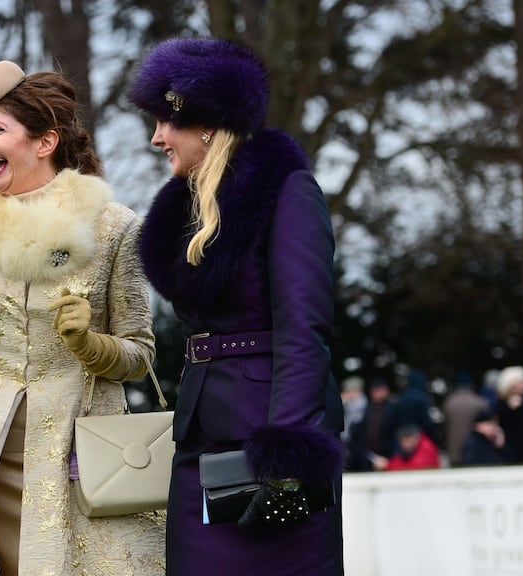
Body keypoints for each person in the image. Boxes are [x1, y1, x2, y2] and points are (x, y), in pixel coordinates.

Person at [0, 60, 165, 575]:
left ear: (45, 141)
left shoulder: (115, 227)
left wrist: (90, 343)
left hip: (77, 459)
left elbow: (140, 354)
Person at [131, 38, 344, 575]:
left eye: (165, 122)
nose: (157, 138)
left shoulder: (289, 192)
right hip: (200, 444)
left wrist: (288, 461)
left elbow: (304, 328)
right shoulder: (190, 211)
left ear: (206, 123)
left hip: (272, 445)